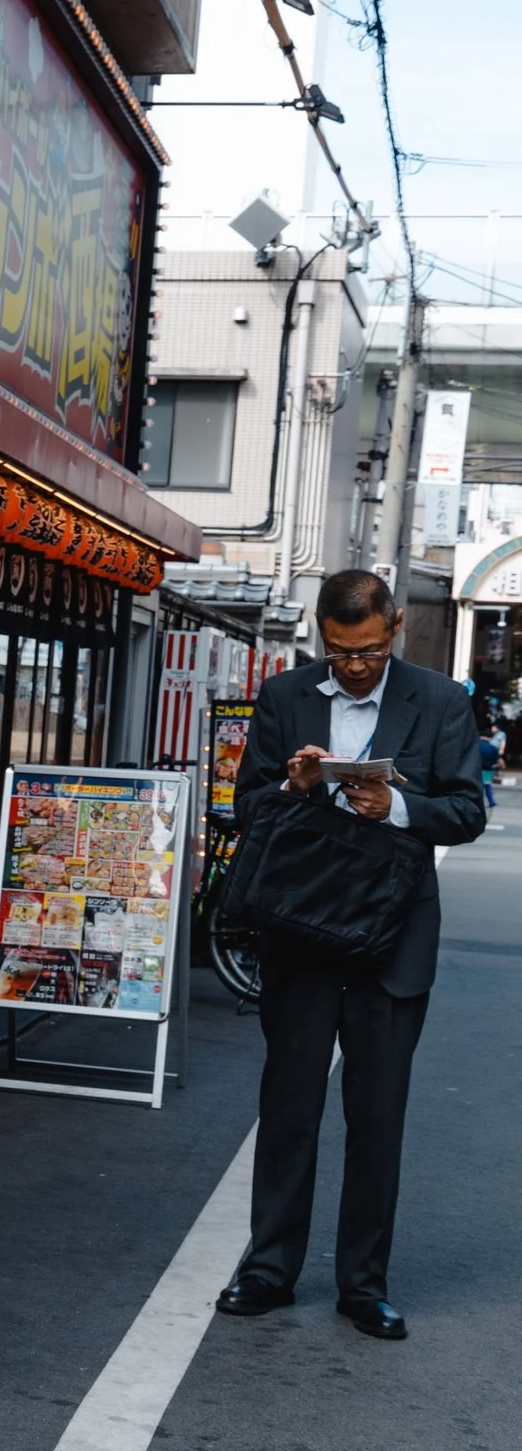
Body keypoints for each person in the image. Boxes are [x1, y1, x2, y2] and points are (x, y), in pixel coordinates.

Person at [216, 570, 486, 1341]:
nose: (355, 666)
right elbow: (247, 805)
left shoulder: (439, 702)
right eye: (339, 652)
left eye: (367, 650)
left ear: (393, 627)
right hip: (302, 930)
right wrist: (297, 787)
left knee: (377, 1118)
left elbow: (467, 808)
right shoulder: (286, 695)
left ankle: (363, 1285)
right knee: (289, 1107)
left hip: (392, 939)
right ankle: (268, 1269)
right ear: (321, 638)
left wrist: (395, 805)